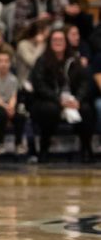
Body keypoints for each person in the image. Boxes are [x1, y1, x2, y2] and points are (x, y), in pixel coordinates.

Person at [29, 28, 95, 163]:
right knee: (50, 110)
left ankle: (86, 148)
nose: (58, 42)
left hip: (72, 99)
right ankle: (44, 148)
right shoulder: (42, 60)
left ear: (66, 42)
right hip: (49, 100)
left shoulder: (74, 60)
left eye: (61, 40)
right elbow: (39, 85)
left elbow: (84, 83)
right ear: (50, 42)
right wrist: (58, 99)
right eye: (54, 40)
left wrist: (78, 100)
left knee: (87, 110)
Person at [0, 51, 27, 157]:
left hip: (9, 103)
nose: (3, 64)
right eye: (0, 61)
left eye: (6, 61)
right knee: (2, 114)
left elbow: (14, 96)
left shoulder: (13, 79)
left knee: (20, 116)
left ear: (10, 63)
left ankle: (19, 144)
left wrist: (11, 106)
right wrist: (6, 107)